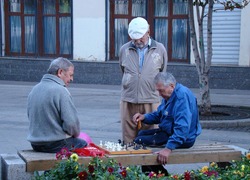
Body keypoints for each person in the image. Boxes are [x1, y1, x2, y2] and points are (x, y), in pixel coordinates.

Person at [133, 72, 202, 171]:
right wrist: (144, 117)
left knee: (140, 141)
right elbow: (160, 115)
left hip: (184, 138)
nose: (160, 94)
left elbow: (182, 128)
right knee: (141, 134)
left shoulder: (181, 97)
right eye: (158, 91)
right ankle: (151, 175)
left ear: (171, 86)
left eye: (161, 91)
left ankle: (160, 176)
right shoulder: (169, 95)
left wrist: (168, 148)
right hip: (169, 132)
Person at [119, 17, 168, 144]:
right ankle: (129, 163)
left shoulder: (160, 49)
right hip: (128, 99)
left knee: (151, 138)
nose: (138, 40)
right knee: (128, 139)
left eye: (141, 37)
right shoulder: (124, 49)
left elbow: (162, 73)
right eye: (134, 38)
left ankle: (149, 165)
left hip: (151, 100)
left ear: (148, 32)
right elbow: (123, 70)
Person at [27, 57, 87, 153]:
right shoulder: (61, 90)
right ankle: (69, 168)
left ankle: (50, 168)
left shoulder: (34, 89)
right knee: (82, 144)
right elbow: (71, 124)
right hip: (54, 144)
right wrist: (74, 134)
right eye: (70, 75)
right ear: (60, 72)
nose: (72, 79)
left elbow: (30, 116)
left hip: (35, 144)